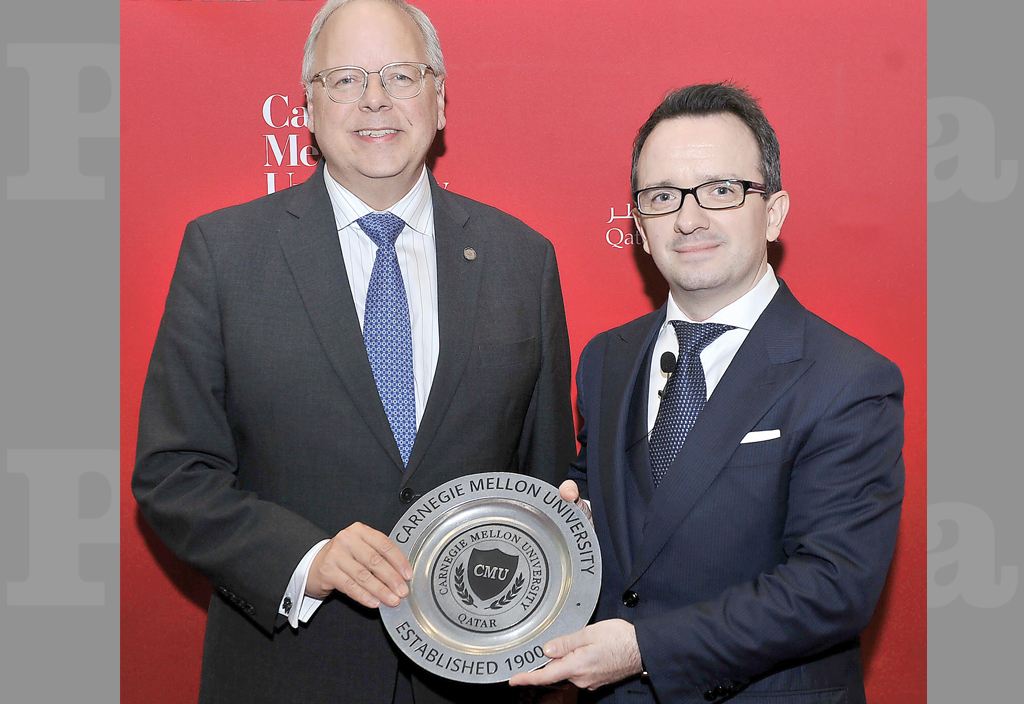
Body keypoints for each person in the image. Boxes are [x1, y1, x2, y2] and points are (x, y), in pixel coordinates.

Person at [132, 1, 575, 702]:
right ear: (307, 108)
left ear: (440, 101)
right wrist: (311, 560)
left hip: (473, 679)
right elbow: (174, 475)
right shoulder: (223, 256)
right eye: (344, 80)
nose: (375, 98)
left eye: (401, 74)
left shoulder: (523, 261)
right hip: (287, 676)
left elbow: (543, 475)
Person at [510, 83, 904, 703]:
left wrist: (645, 649)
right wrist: (570, 518)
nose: (689, 219)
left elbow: (833, 587)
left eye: (722, 190)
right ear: (639, 224)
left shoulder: (848, 380)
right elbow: (610, 501)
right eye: (662, 197)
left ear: (773, 212)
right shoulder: (605, 358)